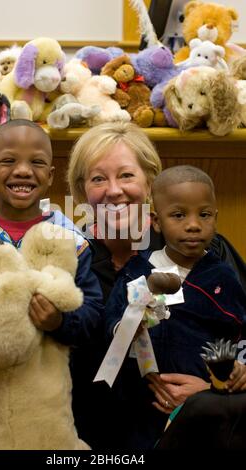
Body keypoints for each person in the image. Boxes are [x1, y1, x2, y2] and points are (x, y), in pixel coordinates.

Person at [67, 122, 246, 450]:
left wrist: (215, 387)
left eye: (126, 175)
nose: (113, 190)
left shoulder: (205, 250)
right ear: (82, 191)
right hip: (98, 434)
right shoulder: (72, 258)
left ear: (150, 181)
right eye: (97, 178)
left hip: (201, 424)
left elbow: (240, 333)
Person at [104, 164, 246, 449]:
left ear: (215, 218)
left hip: (206, 411)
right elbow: (113, 334)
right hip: (141, 409)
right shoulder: (137, 273)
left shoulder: (223, 277)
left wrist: (239, 371)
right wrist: (143, 305)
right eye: (179, 215)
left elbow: (239, 336)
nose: (193, 224)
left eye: (204, 215)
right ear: (156, 221)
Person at [0, 119, 104, 352]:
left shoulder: (71, 241)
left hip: (49, 384)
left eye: (37, 162)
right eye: (9, 161)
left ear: (50, 176)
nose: (23, 171)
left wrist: (60, 322)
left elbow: (92, 314)